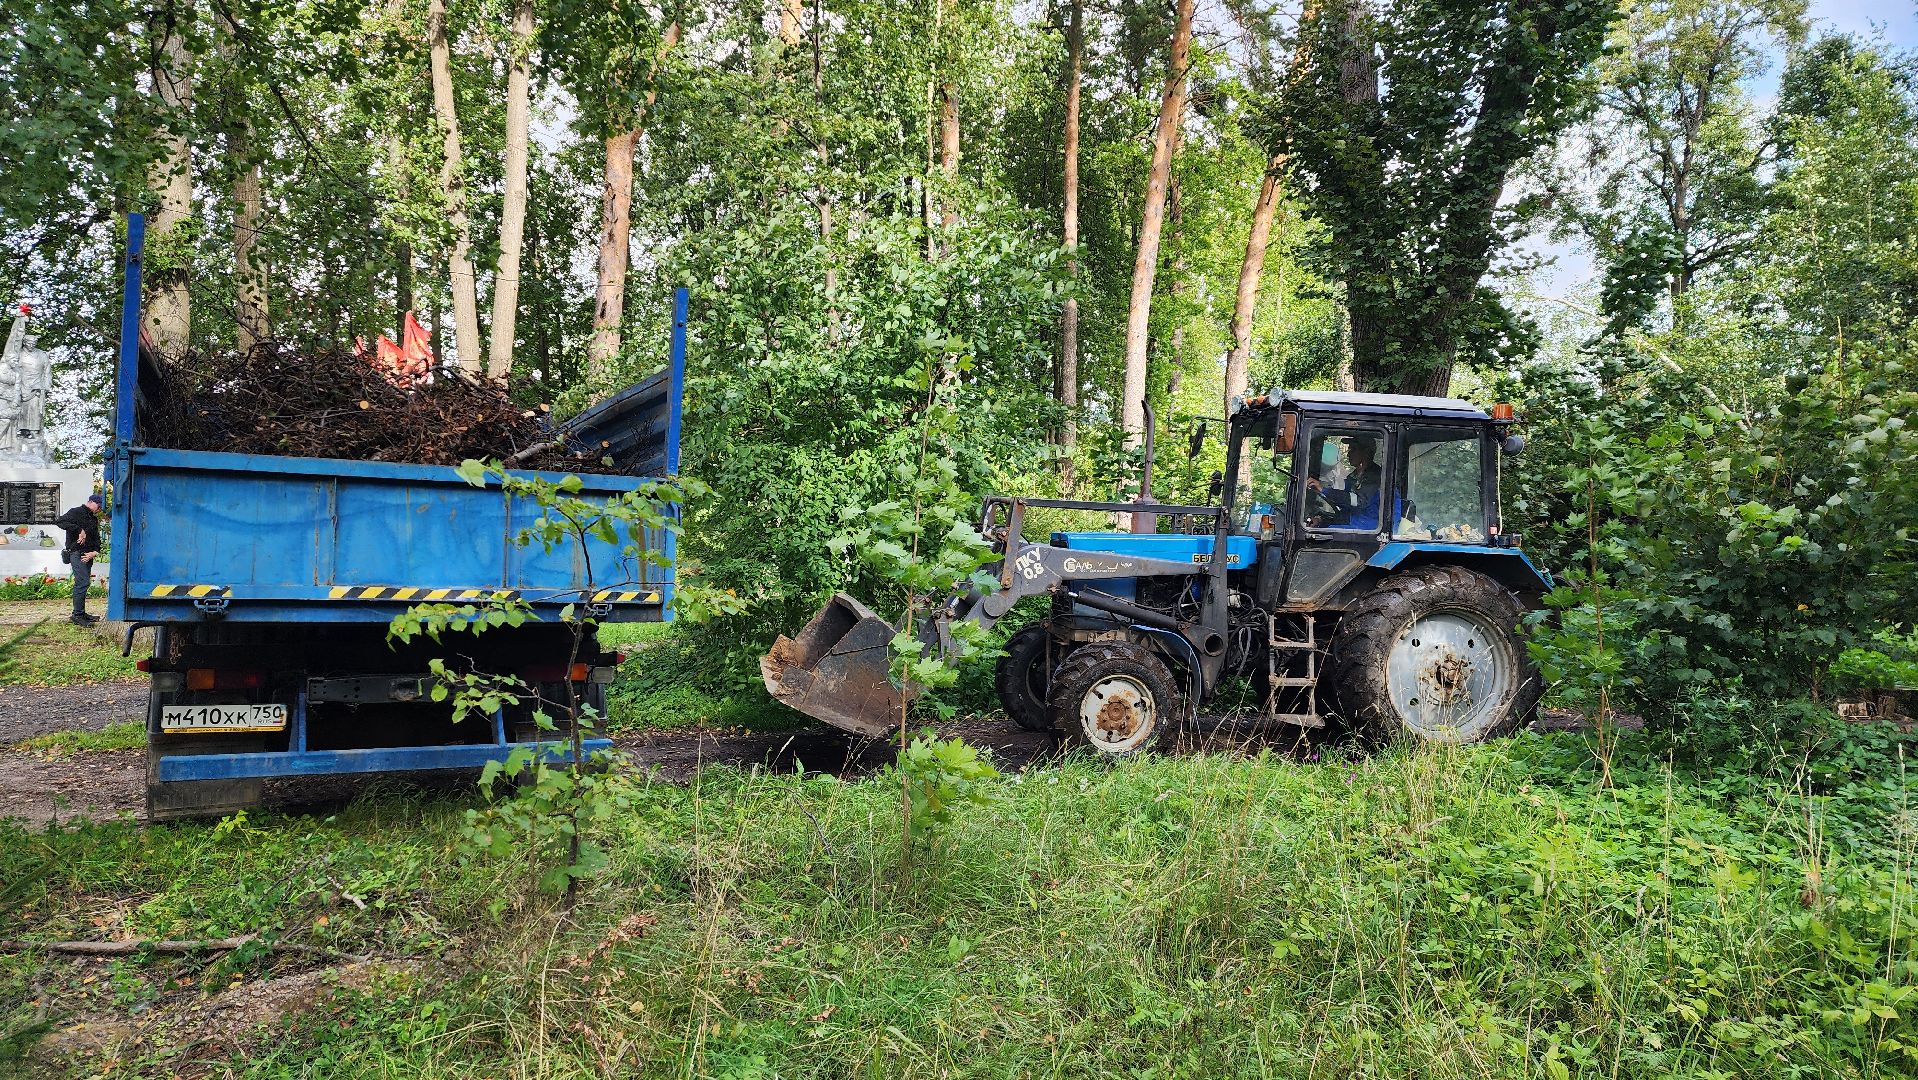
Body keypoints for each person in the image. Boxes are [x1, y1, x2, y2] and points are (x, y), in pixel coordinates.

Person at [55, 493, 103, 625]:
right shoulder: (76, 512)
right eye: (98, 506)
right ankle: (77, 615)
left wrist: (95, 552)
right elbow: (59, 521)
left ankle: (81, 612)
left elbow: (96, 538)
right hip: (76, 553)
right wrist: (79, 529)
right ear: (91, 502)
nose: (99, 509)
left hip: (88, 555)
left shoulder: (93, 519)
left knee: (84, 583)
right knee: (82, 583)